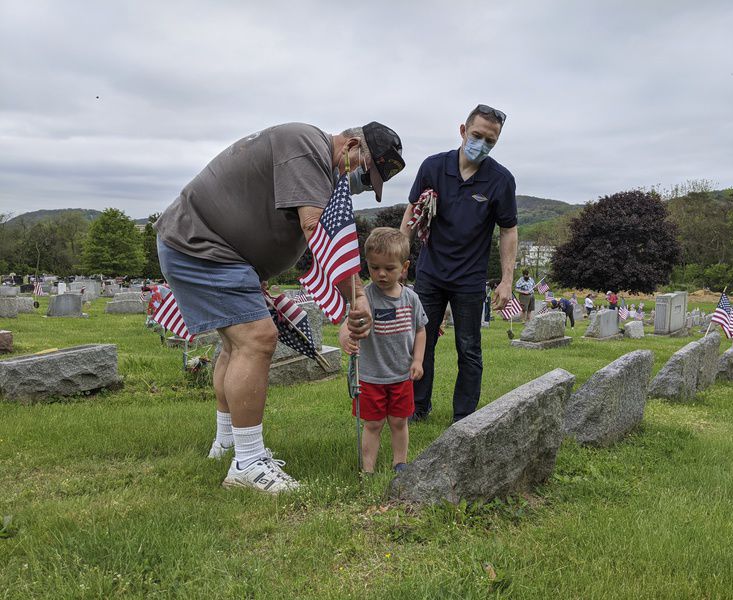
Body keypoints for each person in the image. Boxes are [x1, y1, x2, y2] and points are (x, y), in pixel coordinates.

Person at [155, 121, 405, 493]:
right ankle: (249, 462)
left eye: (369, 184)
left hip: (219, 252)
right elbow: (316, 228)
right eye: (364, 174)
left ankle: (227, 442)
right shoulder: (307, 145)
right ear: (351, 144)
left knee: (234, 345)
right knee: (257, 339)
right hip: (202, 245)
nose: (360, 185)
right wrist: (357, 297)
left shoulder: (315, 158)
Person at [401, 104, 517, 423]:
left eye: (490, 141)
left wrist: (507, 280)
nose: (482, 144)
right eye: (477, 135)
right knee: (422, 342)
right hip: (430, 273)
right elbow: (412, 213)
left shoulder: (501, 180)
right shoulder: (433, 167)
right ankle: (418, 408)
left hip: (469, 279)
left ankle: (464, 416)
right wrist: (400, 259)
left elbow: (508, 230)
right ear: (463, 131)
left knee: (468, 349)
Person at [338, 228, 427, 474]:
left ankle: (400, 463)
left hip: (401, 375)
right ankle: (368, 469)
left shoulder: (411, 299)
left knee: (399, 422)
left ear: (405, 266)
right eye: (374, 267)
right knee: (373, 424)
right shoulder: (363, 298)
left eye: (389, 268)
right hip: (370, 377)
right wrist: (346, 338)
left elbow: (420, 329)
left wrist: (418, 360)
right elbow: (347, 325)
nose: (381, 274)